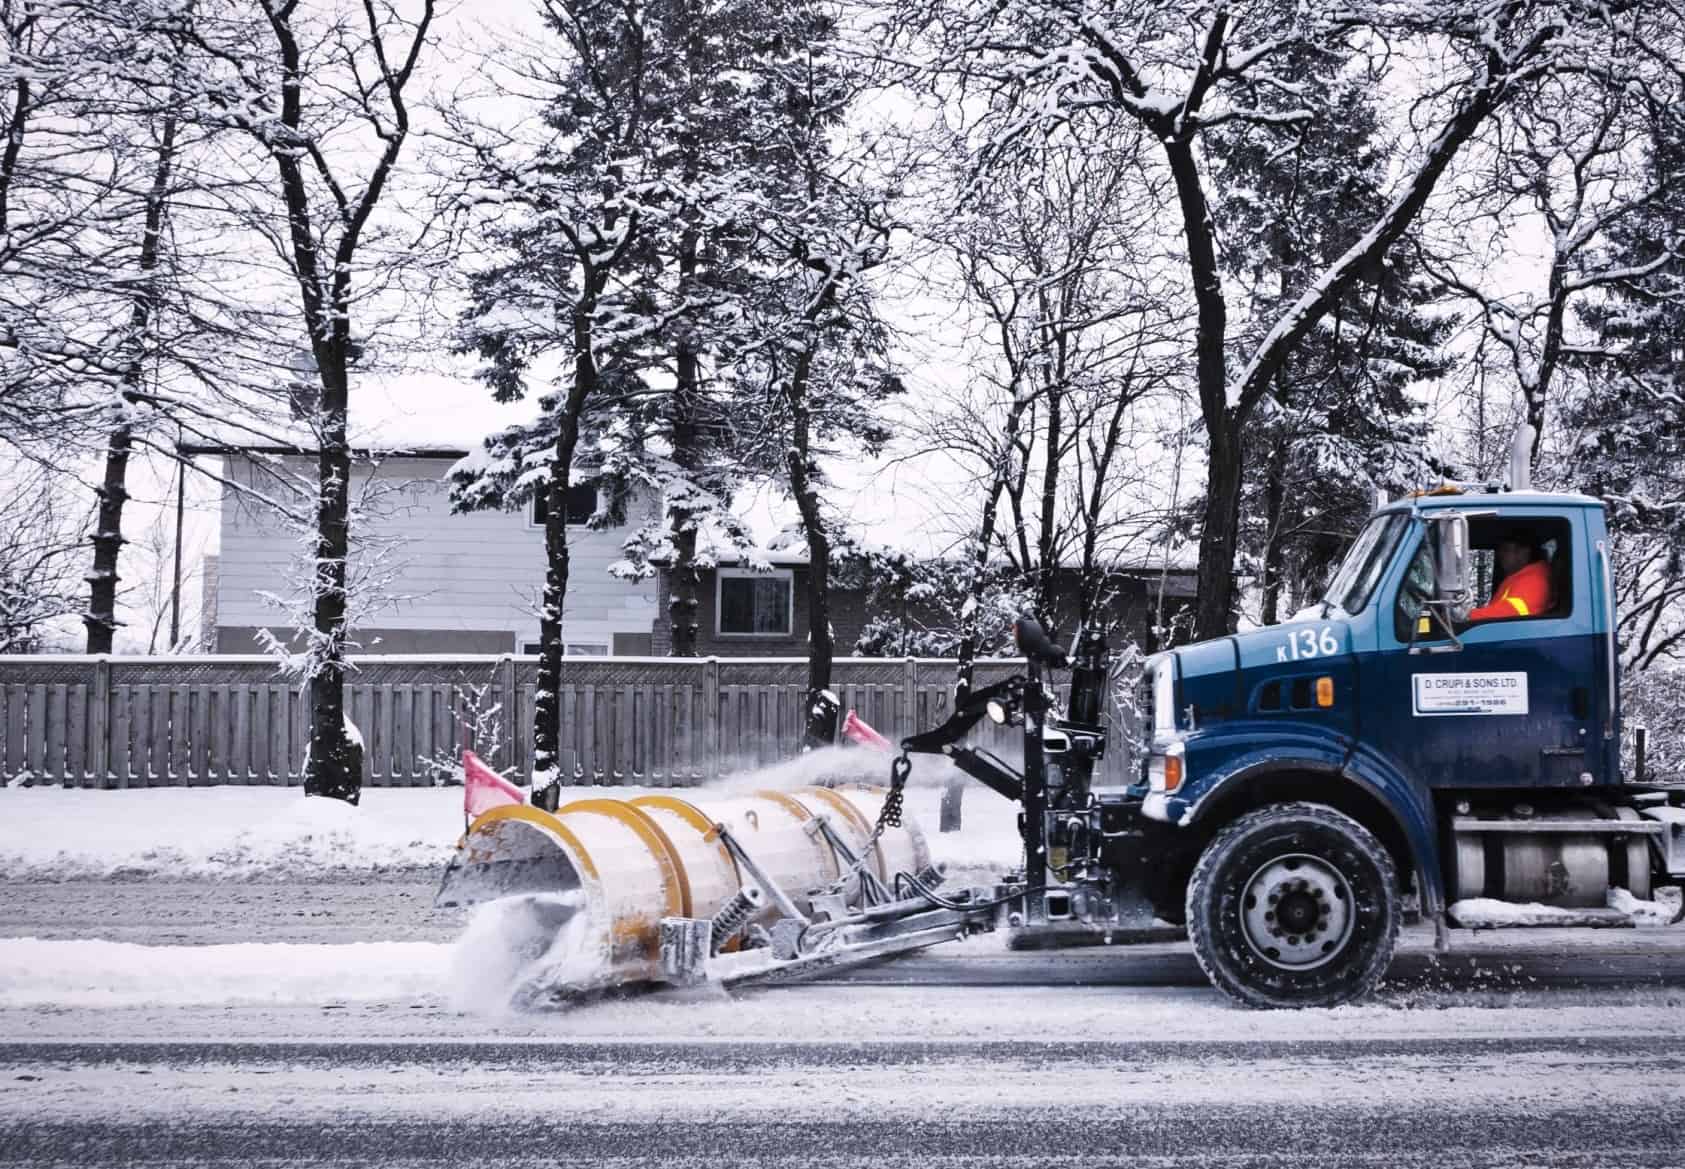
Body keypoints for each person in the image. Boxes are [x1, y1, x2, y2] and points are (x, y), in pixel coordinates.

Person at [1468, 534, 1554, 621]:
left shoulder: (1534, 581)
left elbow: (1512, 612)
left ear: (1524, 552)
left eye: (1505, 550)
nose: (1500, 555)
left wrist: (1467, 616)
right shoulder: (1520, 577)